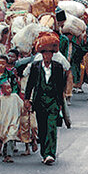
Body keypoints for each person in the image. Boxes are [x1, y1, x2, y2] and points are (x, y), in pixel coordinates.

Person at [24, 33, 65, 165]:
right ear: (42, 55)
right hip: (39, 101)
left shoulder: (58, 67)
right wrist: (27, 99)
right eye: (45, 54)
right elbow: (30, 84)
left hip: (53, 101)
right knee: (42, 127)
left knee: (51, 126)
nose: (48, 57)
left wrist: (59, 103)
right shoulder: (36, 67)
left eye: (50, 54)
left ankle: (50, 153)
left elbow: (60, 86)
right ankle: (44, 152)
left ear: (52, 55)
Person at [0, 82, 23, 163]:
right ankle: (5, 154)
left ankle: (9, 155)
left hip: (13, 121)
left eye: (10, 87)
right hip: (4, 123)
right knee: (5, 138)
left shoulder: (15, 97)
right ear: (2, 90)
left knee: (10, 136)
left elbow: (22, 105)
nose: (9, 89)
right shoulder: (1, 99)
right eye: (6, 88)